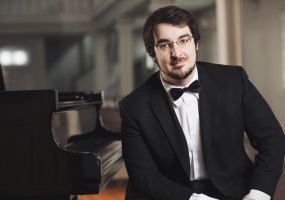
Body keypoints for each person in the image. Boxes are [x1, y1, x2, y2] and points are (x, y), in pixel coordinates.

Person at [119, 5, 285, 200]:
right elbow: (144, 177)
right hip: (172, 194)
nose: (176, 53)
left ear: (196, 43)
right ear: (151, 53)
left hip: (234, 190)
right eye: (164, 45)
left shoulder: (234, 81)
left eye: (183, 40)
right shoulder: (134, 106)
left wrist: (258, 194)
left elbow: (272, 139)